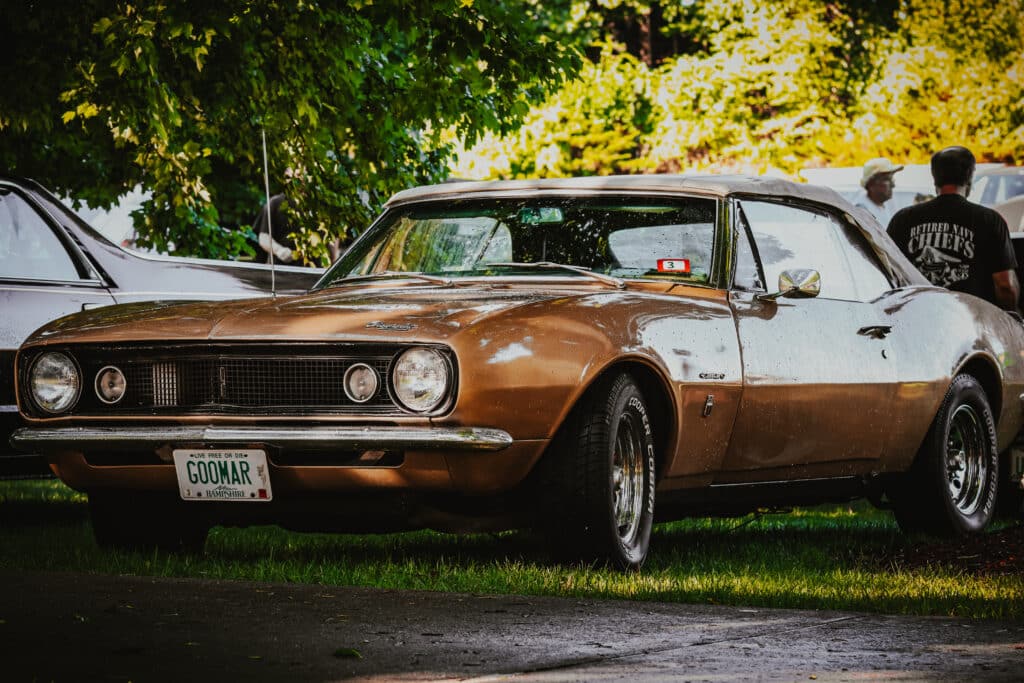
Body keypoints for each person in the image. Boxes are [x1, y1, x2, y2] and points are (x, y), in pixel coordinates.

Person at [887, 145, 1019, 311]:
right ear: (969, 177)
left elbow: (887, 277)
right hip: (973, 327)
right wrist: (1012, 318)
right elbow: (1005, 286)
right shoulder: (989, 220)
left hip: (918, 322)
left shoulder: (902, 219)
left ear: (935, 178)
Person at [853, 157, 903, 226]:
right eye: (887, 179)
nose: (893, 185)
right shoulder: (863, 210)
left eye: (891, 179)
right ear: (871, 185)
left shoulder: (886, 205)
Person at [253, 193, 298, 264]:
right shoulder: (275, 203)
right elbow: (264, 237)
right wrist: (279, 250)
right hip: (280, 269)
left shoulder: (317, 203)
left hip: (313, 269)